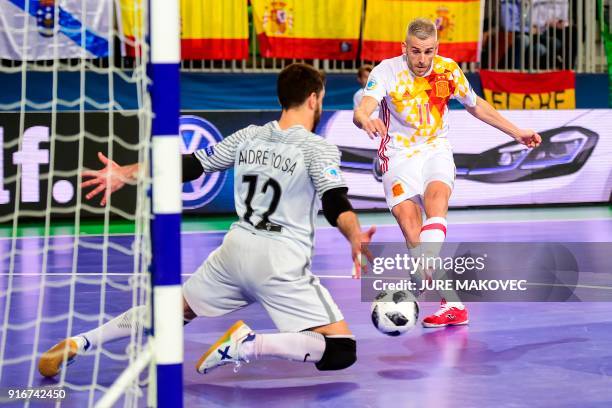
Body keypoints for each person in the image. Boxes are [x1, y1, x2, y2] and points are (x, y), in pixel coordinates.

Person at [38, 63, 376, 378]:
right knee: (341, 350)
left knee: (173, 312)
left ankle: (83, 342)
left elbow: (187, 166)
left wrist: (124, 173)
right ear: (314, 99)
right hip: (280, 260)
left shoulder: (249, 136)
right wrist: (355, 236)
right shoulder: (318, 149)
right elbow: (335, 202)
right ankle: (248, 345)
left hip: (234, 251)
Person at [353, 18, 541, 328]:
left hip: (435, 149)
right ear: (405, 48)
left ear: (436, 49)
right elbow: (365, 107)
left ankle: (421, 274)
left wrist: (516, 132)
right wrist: (365, 118)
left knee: (437, 199)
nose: (422, 59)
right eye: (415, 52)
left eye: (428, 52)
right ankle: (452, 303)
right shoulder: (386, 71)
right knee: (410, 226)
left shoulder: (448, 70)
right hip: (398, 155)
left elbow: (476, 105)